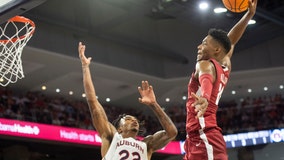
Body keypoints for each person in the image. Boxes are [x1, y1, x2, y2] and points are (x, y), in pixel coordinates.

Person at [183, 0, 258, 159]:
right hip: (198, 136)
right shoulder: (225, 64)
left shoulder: (204, 64)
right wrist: (248, 15)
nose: (199, 47)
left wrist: (204, 97)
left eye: (204, 44)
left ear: (216, 49)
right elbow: (230, 41)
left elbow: (206, 79)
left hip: (204, 135)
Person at [78, 42, 177, 160]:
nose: (134, 121)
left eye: (135, 120)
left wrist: (154, 104)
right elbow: (92, 101)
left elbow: (172, 133)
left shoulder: (147, 144)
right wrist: (85, 67)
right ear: (119, 128)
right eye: (129, 119)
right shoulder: (111, 136)